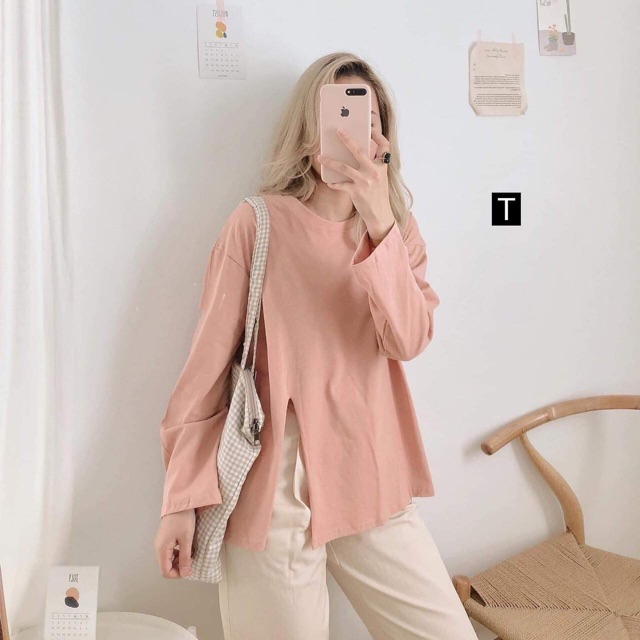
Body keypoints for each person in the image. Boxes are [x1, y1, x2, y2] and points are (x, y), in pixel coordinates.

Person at [154, 51, 478, 640]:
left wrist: (378, 221)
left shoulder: (397, 232)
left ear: (384, 143)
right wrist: (179, 501)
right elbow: (204, 375)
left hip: (370, 468)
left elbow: (407, 339)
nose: (355, 137)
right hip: (273, 485)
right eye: (338, 121)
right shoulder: (256, 224)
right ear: (309, 136)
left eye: (369, 123)